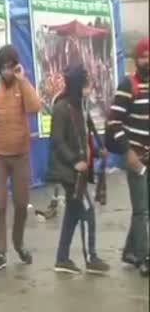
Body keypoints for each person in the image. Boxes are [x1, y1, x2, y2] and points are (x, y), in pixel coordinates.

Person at [0, 44, 41, 274]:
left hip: (21, 155)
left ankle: (18, 244)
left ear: (16, 67)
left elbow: (35, 106)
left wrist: (22, 80)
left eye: (10, 67)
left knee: (22, 204)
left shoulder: (22, 84)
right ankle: (0, 253)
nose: (7, 71)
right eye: (3, 68)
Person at [48, 65, 110, 274]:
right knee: (87, 210)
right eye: (86, 85)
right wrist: (75, 161)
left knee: (73, 215)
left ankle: (62, 258)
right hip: (70, 172)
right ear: (76, 86)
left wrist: (100, 148)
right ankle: (91, 258)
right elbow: (57, 141)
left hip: (80, 170)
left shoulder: (80, 105)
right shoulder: (61, 108)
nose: (89, 88)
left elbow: (89, 128)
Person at [107, 37, 149, 277]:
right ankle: (144, 257)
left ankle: (129, 251)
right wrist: (128, 152)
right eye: (144, 57)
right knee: (141, 210)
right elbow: (115, 121)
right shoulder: (127, 85)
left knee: (145, 210)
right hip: (135, 158)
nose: (148, 62)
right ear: (136, 60)